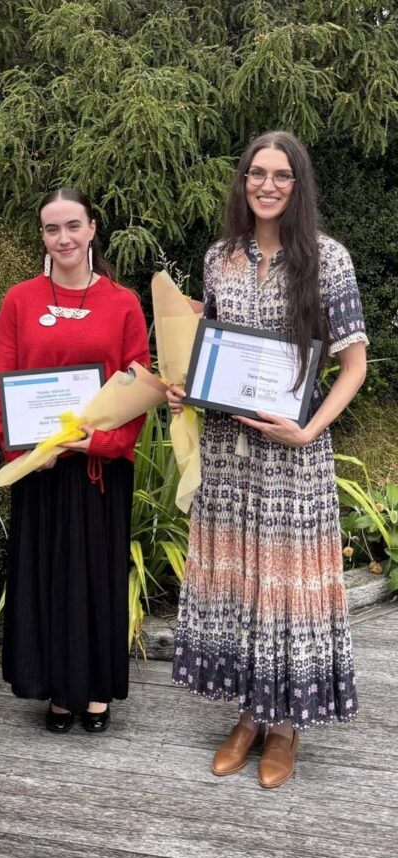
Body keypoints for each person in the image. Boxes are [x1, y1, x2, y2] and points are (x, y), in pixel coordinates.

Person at [167, 131, 367, 788]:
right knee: (245, 583)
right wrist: (184, 382)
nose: (268, 184)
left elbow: (353, 366)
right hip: (229, 453)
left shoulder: (328, 260)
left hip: (292, 455)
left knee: (286, 588)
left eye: (281, 174)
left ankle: (286, 728)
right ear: (243, 181)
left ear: (298, 183)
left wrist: (309, 429)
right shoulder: (218, 259)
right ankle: (251, 713)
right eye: (257, 173)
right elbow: (213, 348)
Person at [0, 188, 150, 734]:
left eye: (73, 226)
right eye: (53, 229)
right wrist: (27, 450)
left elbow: (139, 385)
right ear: (43, 236)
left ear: (92, 229)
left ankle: (97, 690)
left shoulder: (123, 302)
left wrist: (99, 444)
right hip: (44, 469)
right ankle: (57, 690)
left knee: (96, 577)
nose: (64, 239)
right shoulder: (20, 300)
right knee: (46, 577)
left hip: (99, 470)